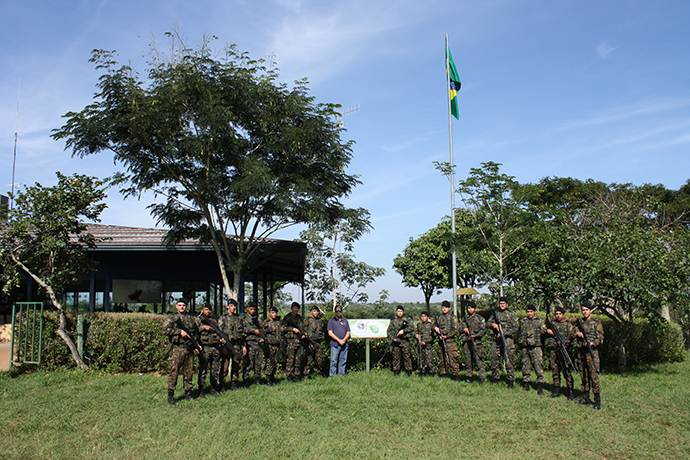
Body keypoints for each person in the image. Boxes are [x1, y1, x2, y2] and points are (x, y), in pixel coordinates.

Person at [162, 298, 199, 404]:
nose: (182, 307)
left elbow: (195, 333)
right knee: (174, 372)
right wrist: (178, 332)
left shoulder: (191, 319)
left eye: (184, 305)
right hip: (177, 348)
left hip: (189, 349)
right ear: (176, 306)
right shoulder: (172, 318)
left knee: (189, 371)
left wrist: (196, 345)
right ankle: (171, 395)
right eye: (180, 305)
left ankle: (188, 392)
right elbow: (165, 330)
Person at [574, 301, 604, 410]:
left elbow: (600, 339)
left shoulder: (596, 323)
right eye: (583, 310)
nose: (584, 312)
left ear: (590, 311)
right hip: (582, 352)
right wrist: (578, 334)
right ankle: (585, 398)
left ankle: (597, 400)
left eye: (586, 310)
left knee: (594, 376)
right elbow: (573, 333)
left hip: (592, 353)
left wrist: (592, 343)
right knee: (584, 375)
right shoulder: (579, 322)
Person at [487, 296, 519, 388]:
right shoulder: (495, 314)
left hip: (507, 340)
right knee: (493, 358)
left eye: (504, 304)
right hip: (497, 340)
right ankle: (496, 379)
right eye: (500, 304)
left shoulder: (511, 314)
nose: (502, 305)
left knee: (508, 361)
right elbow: (487, 323)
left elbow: (515, 327)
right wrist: (493, 325)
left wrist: (504, 333)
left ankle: (510, 381)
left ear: (507, 304)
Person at [195, 303, 225, 398]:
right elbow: (194, 332)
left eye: (209, 310)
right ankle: (201, 390)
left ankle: (213, 387)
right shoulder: (198, 320)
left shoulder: (213, 321)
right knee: (203, 369)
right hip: (205, 347)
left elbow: (218, 332)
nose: (208, 311)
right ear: (202, 310)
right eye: (206, 309)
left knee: (215, 369)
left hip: (215, 347)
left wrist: (221, 340)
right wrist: (203, 327)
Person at [545, 306, 575, 399]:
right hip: (554, 350)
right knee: (555, 370)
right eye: (557, 314)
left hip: (564, 350)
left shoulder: (568, 325)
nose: (558, 316)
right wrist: (548, 330)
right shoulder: (552, 324)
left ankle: (570, 392)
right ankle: (556, 391)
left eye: (560, 314)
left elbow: (572, 336)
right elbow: (542, 329)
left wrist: (565, 342)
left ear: (563, 314)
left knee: (566, 371)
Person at [218, 299, 245, 391]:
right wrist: (222, 344)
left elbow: (242, 333)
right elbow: (219, 332)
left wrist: (243, 346)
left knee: (236, 364)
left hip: (237, 344)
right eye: (231, 306)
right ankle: (222, 384)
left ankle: (234, 383)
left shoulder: (238, 318)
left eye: (234, 306)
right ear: (227, 306)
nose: (233, 308)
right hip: (227, 344)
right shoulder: (223, 318)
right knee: (225, 365)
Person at [519, 304, 546, 394]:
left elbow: (544, 331)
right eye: (528, 312)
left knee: (538, 365)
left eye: (531, 312)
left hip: (536, 347)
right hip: (525, 347)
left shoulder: (539, 321)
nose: (529, 313)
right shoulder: (523, 321)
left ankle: (540, 386)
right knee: (525, 366)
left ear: (534, 312)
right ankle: (526, 384)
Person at [434, 300, 462, 381]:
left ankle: (456, 375)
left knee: (452, 359)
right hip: (440, 341)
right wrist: (436, 328)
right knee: (441, 359)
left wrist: (447, 336)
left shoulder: (453, 317)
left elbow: (456, 330)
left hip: (450, 342)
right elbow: (433, 325)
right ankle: (443, 374)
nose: (444, 309)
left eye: (446, 307)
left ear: (449, 308)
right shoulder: (439, 317)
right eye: (443, 307)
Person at [461, 301, 487, 384]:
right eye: (468, 308)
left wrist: (476, 335)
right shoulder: (465, 318)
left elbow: (484, 330)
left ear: (474, 309)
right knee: (468, 361)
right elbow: (459, 328)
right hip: (467, 342)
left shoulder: (480, 318)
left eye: (471, 308)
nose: (470, 310)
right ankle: (468, 377)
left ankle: (482, 377)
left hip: (476, 342)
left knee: (479, 360)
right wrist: (464, 329)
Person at [241, 302, 265, 386]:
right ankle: (245, 380)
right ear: (247, 309)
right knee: (248, 363)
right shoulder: (244, 319)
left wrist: (262, 338)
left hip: (258, 343)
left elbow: (262, 330)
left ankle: (257, 379)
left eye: (254, 309)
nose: (253, 311)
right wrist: (254, 331)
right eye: (251, 309)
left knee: (258, 362)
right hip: (249, 343)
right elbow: (243, 330)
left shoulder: (258, 320)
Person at [386, 305, 414, 376]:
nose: (400, 313)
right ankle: (396, 371)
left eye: (401, 311)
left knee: (407, 357)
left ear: (403, 312)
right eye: (398, 311)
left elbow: (412, 328)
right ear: (396, 312)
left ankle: (409, 371)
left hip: (405, 341)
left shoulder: (407, 320)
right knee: (396, 357)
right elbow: (389, 331)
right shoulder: (393, 321)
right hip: (396, 342)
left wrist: (403, 331)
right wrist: (392, 337)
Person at [282, 302, 306, 382]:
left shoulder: (299, 317)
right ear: (292, 308)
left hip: (298, 341)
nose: (296, 310)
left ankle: (297, 375)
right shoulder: (287, 317)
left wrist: (303, 333)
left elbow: (302, 327)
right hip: (291, 342)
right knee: (290, 360)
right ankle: (289, 376)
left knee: (298, 360)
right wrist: (292, 329)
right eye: (294, 308)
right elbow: (283, 328)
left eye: (297, 308)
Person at [262, 306, 283, 387]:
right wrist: (268, 330)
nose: (274, 314)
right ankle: (268, 379)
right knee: (269, 362)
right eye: (273, 313)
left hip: (277, 344)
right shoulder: (266, 322)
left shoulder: (278, 322)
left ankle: (272, 377)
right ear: (269, 313)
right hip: (269, 344)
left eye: (275, 313)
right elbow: (261, 331)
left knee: (275, 362)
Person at [328, 306, 351, 376]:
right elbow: (330, 333)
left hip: (344, 344)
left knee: (343, 361)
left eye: (340, 311)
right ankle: (332, 376)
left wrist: (343, 340)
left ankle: (341, 375)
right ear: (335, 312)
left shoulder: (345, 321)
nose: (338, 312)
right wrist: (339, 340)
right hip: (334, 344)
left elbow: (348, 332)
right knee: (333, 361)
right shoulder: (331, 321)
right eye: (337, 311)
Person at [303, 306, 325, 378]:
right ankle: (306, 373)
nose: (316, 313)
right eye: (314, 311)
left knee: (319, 358)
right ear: (311, 312)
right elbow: (303, 329)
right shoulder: (307, 320)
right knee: (309, 358)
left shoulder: (319, 320)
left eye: (317, 311)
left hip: (318, 342)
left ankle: (318, 372)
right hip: (310, 342)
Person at [415, 311, 436, 376]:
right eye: (422, 316)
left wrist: (425, 342)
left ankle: (432, 373)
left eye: (424, 316)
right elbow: (415, 333)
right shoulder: (419, 325)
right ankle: (422, 372)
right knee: (420, 360)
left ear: (428, 317)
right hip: (420, 346)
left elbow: (433, 336)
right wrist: (416, 335)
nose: (423, 318)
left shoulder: (430, 325)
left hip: (428, 346)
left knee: (429, 361)